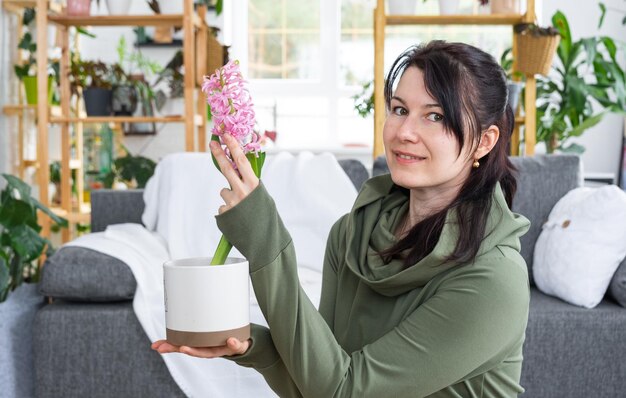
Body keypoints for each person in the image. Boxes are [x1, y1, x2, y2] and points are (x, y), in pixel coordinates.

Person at [152, 40, 531, 397]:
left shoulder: (493, 278)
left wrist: (262, 234)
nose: (404, 132)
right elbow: (320, 378)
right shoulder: (354, 234)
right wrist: (250, 344)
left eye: (435, 116)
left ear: (484, 141)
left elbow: (344, 391)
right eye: (399, 110)